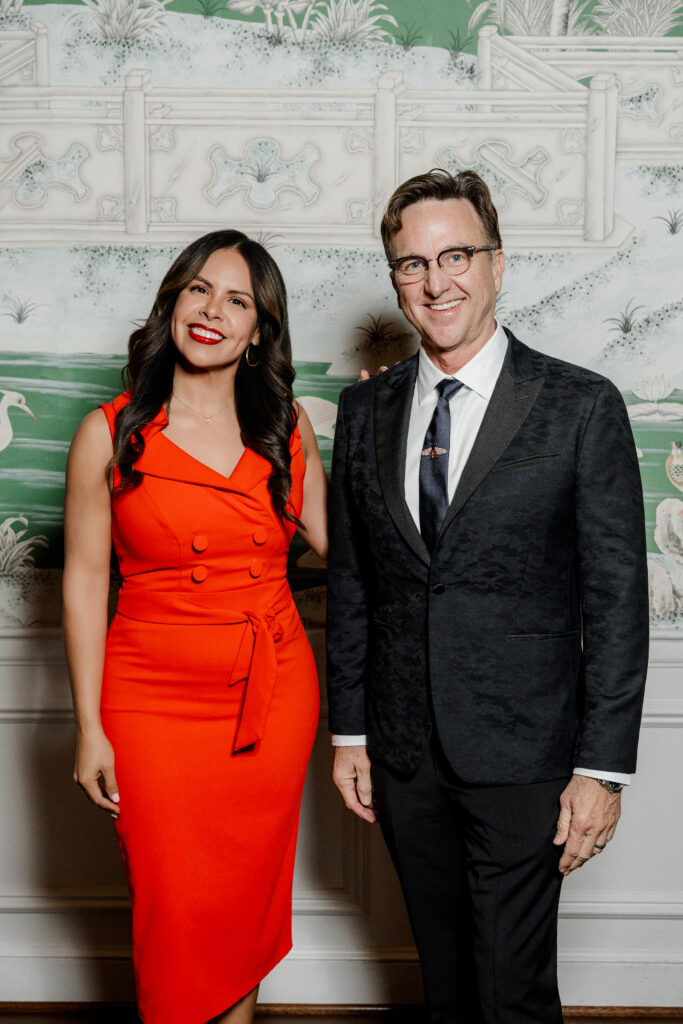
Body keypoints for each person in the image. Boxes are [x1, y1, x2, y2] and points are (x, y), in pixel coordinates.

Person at [326, 169, 648, 1023]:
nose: (436, 282)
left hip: (526, 756)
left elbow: (616, 600)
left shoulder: (580, 406)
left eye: (456, 255)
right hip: (402, 754)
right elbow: (357, 581)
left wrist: (602, 769)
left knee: (510, 992)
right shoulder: (364, 415)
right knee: (446, 985)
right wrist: (350, 731)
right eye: (411, 264)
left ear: (497, 265)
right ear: (393, 276)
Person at [63, 230, 327, 1024]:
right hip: (150, 705)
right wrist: (89, 729)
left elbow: (349, 548)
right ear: (172, 303)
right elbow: (81, 582)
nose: (213, 311)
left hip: (270, 698)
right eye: (199, 290)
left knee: (237, 915)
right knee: (175, 914)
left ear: (259, 333)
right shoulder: (109, 432)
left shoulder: (287, 425)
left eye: (238, 300)